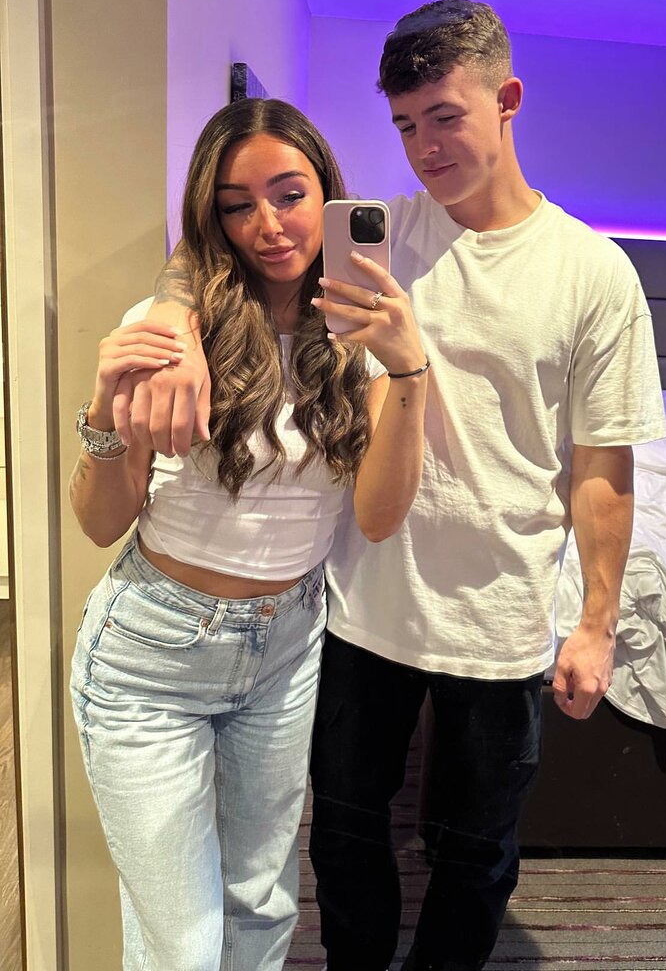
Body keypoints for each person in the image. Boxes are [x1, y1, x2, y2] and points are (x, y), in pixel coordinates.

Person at [117, 0, 666, 971]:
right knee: (344, 835)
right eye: (406, 125)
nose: (424, 148)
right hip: (360, 604)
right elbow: (217, 249)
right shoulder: (371, 239)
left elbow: (601, 465)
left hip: (499, 616)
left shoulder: (594, 273)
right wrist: (171, 320)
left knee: (476, 851)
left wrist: (596, 620)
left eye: (445, 117)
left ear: (508, 100)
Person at [68, 97, 429, 971]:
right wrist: (103, 411)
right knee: (184, 949)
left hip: (286, 652)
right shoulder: (173, 327)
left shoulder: (361, 334)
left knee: (262, 907)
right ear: (213, 217)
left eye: (289, 195)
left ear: (328, 194)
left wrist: (409, 367)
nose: (267, 226)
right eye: (238, 205)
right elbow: (100, 522)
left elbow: (378, 517)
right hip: (152, 655)